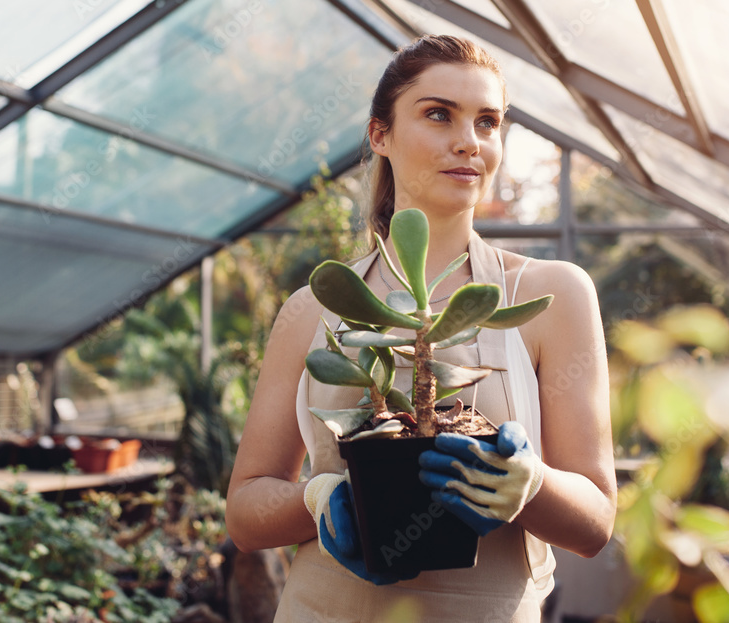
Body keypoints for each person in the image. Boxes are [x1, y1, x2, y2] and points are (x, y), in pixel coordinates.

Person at [226, 34, 616, 622]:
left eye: (488, 122)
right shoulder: (315, 307)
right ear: (380, 134)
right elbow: (245, 510)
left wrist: (529, 486)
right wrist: (323, 497)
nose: (469, 142)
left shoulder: (549, 295)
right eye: (439, 114)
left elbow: (595, 522)